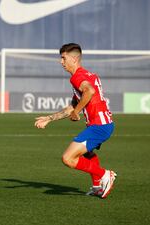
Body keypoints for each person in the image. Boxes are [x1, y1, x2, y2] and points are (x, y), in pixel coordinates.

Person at [34, 43, 116, 199]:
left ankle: (105, 174)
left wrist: (77, 112)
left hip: (100, 126)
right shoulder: (87, 74)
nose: (61, 62)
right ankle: (98, 185)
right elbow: (72, 106)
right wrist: (49, 118)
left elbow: (89, 91)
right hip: (102, 124)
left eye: (63, 58)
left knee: (68, 158)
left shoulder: (77, 77)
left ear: (74, 58)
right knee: (88, 154)